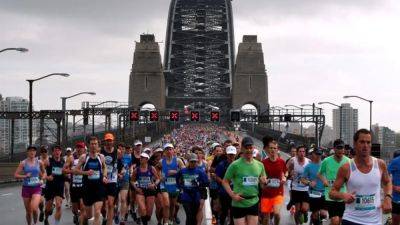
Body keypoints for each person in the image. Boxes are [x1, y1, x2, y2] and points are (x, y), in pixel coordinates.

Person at [330, 129, 392, 225]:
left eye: (368, 142)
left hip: (375, 221)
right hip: (352, 219)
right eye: (362, 142)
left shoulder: (380, 164)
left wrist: (388, 198)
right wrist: (343, 195)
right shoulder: (346, 168)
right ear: (355, 144)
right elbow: (332, 192)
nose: (365, 146)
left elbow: (387, 182)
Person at [222, 137, 267, 225]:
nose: (249, 150)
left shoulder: (260, 165)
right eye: (246, 148)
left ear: (253, 148)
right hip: (238, 203)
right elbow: (225, 181)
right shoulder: (235, 165)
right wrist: (232, 195)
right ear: (242, 148)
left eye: (251, 148)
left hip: (253, 201)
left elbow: (263, 186)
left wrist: (264, 183)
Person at [74, 136, 108, 225]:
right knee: (88, 216)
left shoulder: (101, 157)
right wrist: (86, 173)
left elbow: (104, 167)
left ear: (98, 145)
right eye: (92, 144)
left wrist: (104, 176)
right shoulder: (84, 157)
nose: (93, 145)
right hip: (87, 189)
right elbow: (75, 171)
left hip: (99, 188)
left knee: (97, 213)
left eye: (95, 144)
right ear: (89, 145)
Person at [317, 139, 350, 225]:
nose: (341, 150)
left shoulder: (348, 161)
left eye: (342, 148)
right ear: (334, 149)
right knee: (335, 220)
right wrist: (324, 180)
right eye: (338, 148)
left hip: (343, 194)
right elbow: (319, 174)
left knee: (340, 220)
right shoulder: (326, 161)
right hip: (330, 194)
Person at [14, 146, 47, 225]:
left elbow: (44, 172)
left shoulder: (39, 162)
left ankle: (35, 223)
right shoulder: (23, 163)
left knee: (34, 208)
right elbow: (16, 175)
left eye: (34, 151)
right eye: (30, 151)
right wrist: (25, 176)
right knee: (28, 212)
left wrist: (42, 179)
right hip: (26, 188)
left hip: (36, 188)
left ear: (36, 152)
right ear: (27, 152)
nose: (32, 152)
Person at [176, 153, 209, 225]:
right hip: (186, 195)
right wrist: (179, 187)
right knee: (189, 215)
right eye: (191, 161)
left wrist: (198, 184)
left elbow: (206, 183)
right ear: (188, 161)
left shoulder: (200, 172)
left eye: (195, 161)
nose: (193, 163)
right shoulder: (183, 171)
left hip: (196, 195)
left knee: (194, 216)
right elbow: (177, 179)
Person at [260, 136, 287, 225]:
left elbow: (285, 172)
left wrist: (284, 178)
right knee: (266, 218)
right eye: (271, 148)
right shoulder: (263, 163)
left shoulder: (282, 162)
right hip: (266, 192)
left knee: (276, 213)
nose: (272, 150)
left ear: (277, 149)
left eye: (274, 148)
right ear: (268, 149)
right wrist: (263, 179)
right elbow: (261, 176)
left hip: (278, 192)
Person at [131, 152, 160, 225]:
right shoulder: (136, 170)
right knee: (143, 209)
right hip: (140, 191)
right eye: (140, 157)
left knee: (149, 213)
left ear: (147, 159)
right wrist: (136, 188)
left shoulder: (151, 168)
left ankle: (145, 219)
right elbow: (132, 181)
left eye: (143, 158)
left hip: (150, 191)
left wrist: (154, 184)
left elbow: (158, 179)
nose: (141, 159)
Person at [161, 143, 185, 225]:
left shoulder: (178, 160)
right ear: (164, 151)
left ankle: (171, 218)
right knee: (167, 204)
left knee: (172, 205)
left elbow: (184, 171)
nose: (169, 151)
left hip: (175, 185)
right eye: (167, 149)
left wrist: (176, 172)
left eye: (170, 149)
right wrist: (160, 177)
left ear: (173, 150)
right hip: (164, 185)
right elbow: (155, 170)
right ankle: (166, 222)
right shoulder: (161, 161)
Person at [301, 148, 326, 225]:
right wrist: (309, 183)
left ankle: (320, 220)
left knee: (324, 214)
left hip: (324, 193)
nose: (318, 156)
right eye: (317, 154)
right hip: (313, 192)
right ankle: (309, 216)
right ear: (313, 154)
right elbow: (302, 179)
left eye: (320, 154)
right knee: (307, 210)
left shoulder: (326, 165)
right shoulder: (308, 166)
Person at [43, 145, 67, 225]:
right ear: (53, 152)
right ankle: (46, 218)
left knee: (59, 206)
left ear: (61, 152)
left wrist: (67, 175)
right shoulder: (48, 161)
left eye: (59, 150)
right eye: (55, 150)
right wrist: (47, 177)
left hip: (59, 186)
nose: (57, 152)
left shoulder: (63, 161)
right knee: (48, 209)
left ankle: (56, 223)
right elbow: (41, 171)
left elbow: (66, 172)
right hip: (50, 186)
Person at [287, 145, 310, 225]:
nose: (302, 153)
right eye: (300, 151)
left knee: (304, 208)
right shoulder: (292, 160)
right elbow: (286, 170)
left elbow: (313, 173)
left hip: (305, 188)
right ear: (297, 153)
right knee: (297, 209)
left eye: (303, 151)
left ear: (305, 153)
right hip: (295, 188)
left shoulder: (309, 161)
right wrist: (290, 173)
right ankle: (297, 224)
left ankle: (305, 213)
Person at [65, 141, 87, 225]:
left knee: (82, 206)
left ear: (84, 149)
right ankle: (76, 215)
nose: (79, 149)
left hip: (83, 186)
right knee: (74, 209)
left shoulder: (87, 157)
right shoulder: (71, 158)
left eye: (81, 147)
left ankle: (81, 221)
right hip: (74, 186)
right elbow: (64, 170)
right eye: (77, 147)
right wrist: (72, 171)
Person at [215, 145, 237, 225]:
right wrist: (225, 183)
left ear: (236, 154)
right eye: (230, 154)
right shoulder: (222, 164)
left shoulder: (239, 164)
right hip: (224, 192)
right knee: (224, 210)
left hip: (236, 192)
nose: (231, 156)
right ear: (226, 154)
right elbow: (217, 177)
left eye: (233, 154)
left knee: (233, 212)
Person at [101, 133, 119, 225]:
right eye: (107, 141)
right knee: (103, 206)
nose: (109, 142)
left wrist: (121, 171)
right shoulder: (100, 152)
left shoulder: (117, 152)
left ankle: (110, 222)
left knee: (111, 204)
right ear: (105, 141)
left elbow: (120, 164)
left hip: (112, 180)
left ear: (113, 141)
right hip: (102, 180)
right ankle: (104, 217)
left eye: (110, 140)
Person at [117, 143, 133, 225]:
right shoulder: (114, 157)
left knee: (123, 199)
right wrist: (117, 174)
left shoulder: (128, 157)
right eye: (119, 149)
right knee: (115, 202)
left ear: (124, 150)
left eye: (122, 149)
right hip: (115, 181)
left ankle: (122, 219)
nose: (121, 150)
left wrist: (130, 171)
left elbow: (130, 166)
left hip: (125, 180)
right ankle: (116, 213)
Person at [38, 146, 49, 223]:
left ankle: (46, 219)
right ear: (40, 153)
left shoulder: (50, 160)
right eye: (42, 152)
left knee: (49, 204)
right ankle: (41, 211)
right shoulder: (38, 161)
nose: (44, 153)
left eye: (45, 152)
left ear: (47, 152)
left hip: (49, 182)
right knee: (40, 201)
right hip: (41, 182)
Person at [389, 150, 400, 225]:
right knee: (395, 222)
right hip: (397, 199)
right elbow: (384, 177)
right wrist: (393, 187)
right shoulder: (395, 161)